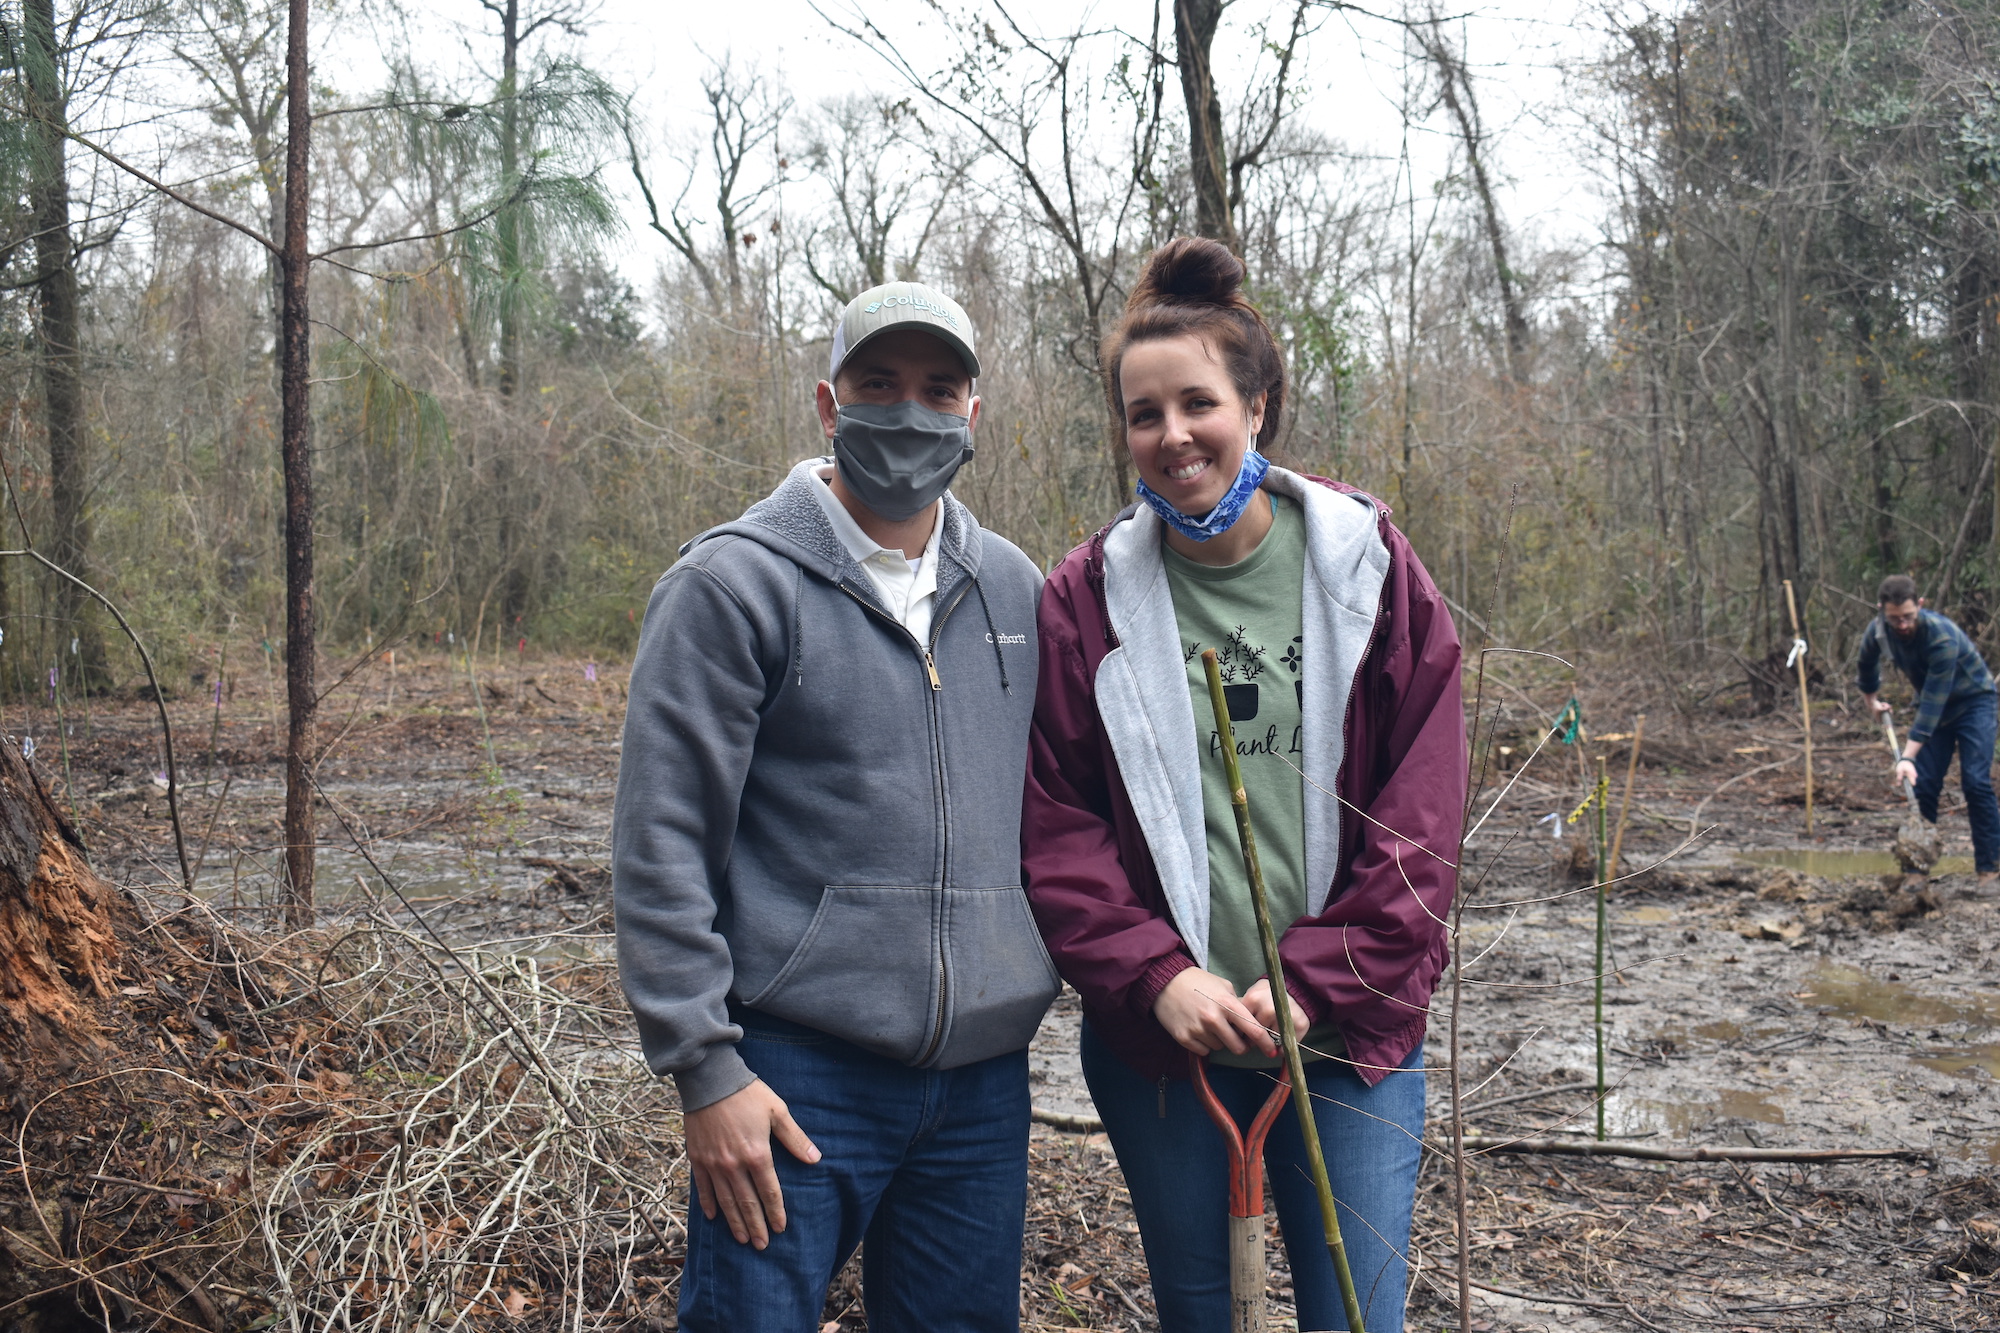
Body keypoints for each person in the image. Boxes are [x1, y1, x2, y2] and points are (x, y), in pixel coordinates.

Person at [1022, 237, 1465, 1333]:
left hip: (1348, 1031)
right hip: (1170, 1039)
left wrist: (1319, 977)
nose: (1172, 436)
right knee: (1205, 1313)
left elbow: (1419, 817)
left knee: (1356, 1314)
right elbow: (1058, 826)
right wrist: (1156, 976)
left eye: (1198, 404)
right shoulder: (1086, 600)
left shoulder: (1365, 566)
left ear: (1255, 406)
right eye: (1143, 415)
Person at [613, 280, 1057, 1333]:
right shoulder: (731, 586)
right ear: (828, 404)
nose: (910, 412)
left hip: (981, 1086)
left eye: (938, 390)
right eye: (879, 385)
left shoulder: (1015, 590)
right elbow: (661, 842)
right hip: (794, 1072)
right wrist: (705, 1070)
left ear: (972, 415)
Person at [1858, 573, 2000, 882]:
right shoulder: (1879, 631)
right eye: (1895, 618)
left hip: (1974, 703)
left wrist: (1907, 757)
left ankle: (1989, 870)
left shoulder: (1941, 636)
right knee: (1923, 784)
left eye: (1908, 616)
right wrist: (1872, 701)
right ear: (1881, 610)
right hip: (1935, 708)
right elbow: (1866, 664)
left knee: (1976, 782)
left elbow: (1933, 703)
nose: (1902, 625)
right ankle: (1916, 873)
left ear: (1920, 605)